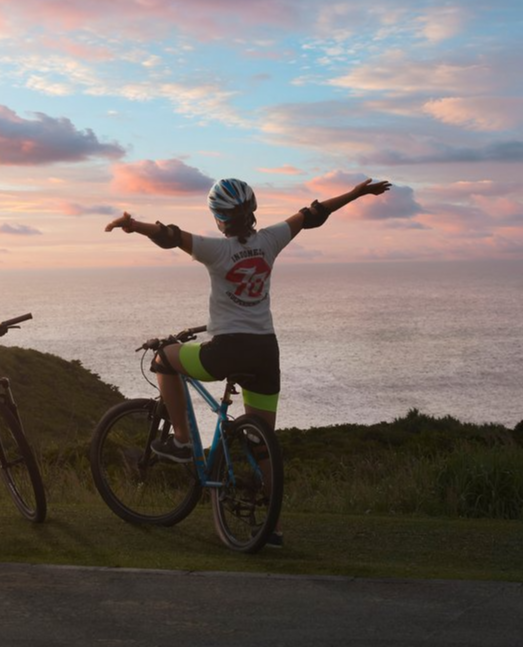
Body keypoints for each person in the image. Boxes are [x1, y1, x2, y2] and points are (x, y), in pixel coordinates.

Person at [105, 176, 392, 546]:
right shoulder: (270, 241)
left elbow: (171, 235)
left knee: (163, 359)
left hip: (226, 350)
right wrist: (356, 193)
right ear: (252, 210)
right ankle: (270, 526)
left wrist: (135, 226)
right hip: (266, 353)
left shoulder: (216, 250)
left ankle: (179, 440)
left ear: (218, 217)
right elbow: (312, 214)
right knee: (261, 440)